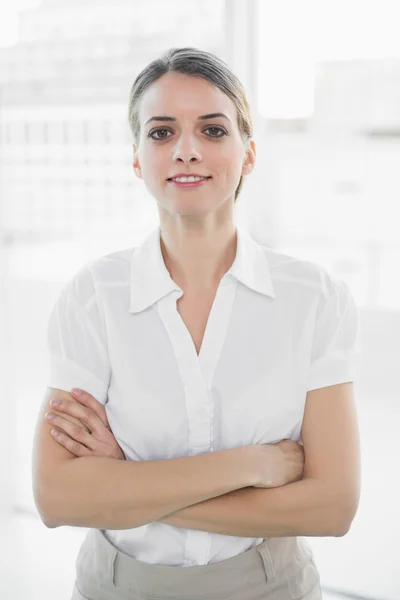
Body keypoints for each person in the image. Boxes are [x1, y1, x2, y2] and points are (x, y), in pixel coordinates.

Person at [32, 47, 363, 600]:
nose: (186, 150)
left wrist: (126, 485)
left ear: (249, 153)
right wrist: (251, 464)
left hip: (270, 587)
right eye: (161, 133)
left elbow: (332, 507)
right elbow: (57, 498)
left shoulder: (314, 299)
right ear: (137, 158)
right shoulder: (93, 298)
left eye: (212, 130)